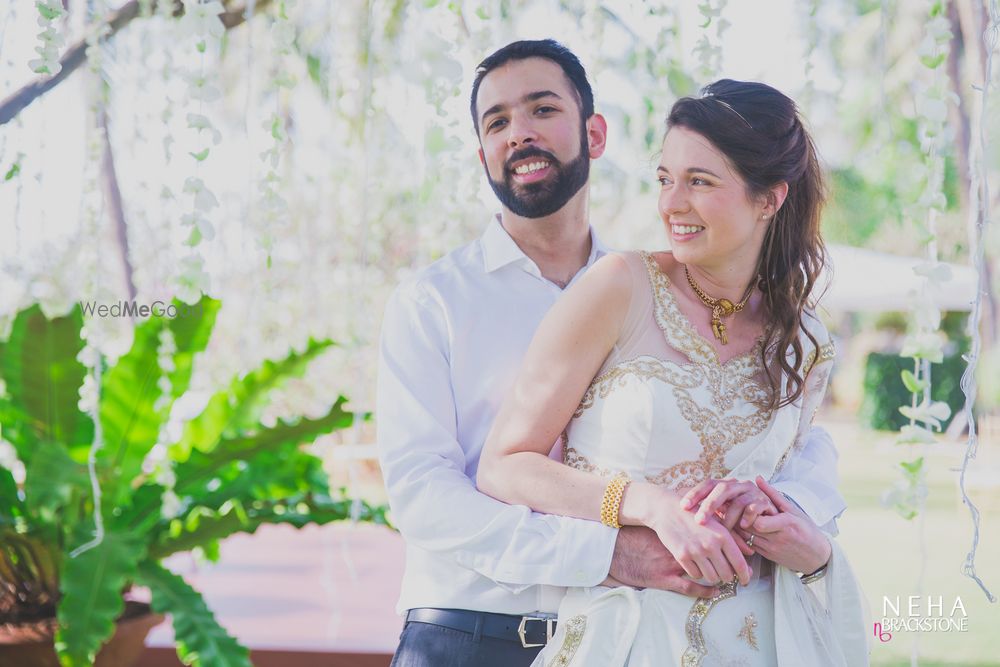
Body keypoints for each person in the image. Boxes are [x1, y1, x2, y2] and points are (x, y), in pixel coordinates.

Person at [377, 40, 847, 667]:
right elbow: (422, 494)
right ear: (482, 152)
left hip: (656, 632)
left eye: (542, 110)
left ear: (595, 135)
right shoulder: (433, 301)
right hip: (475, 629)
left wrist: (790, 525)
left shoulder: (659, 287)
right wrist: (609, 552)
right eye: (496, 123)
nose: (518, 134)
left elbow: (801, 449)